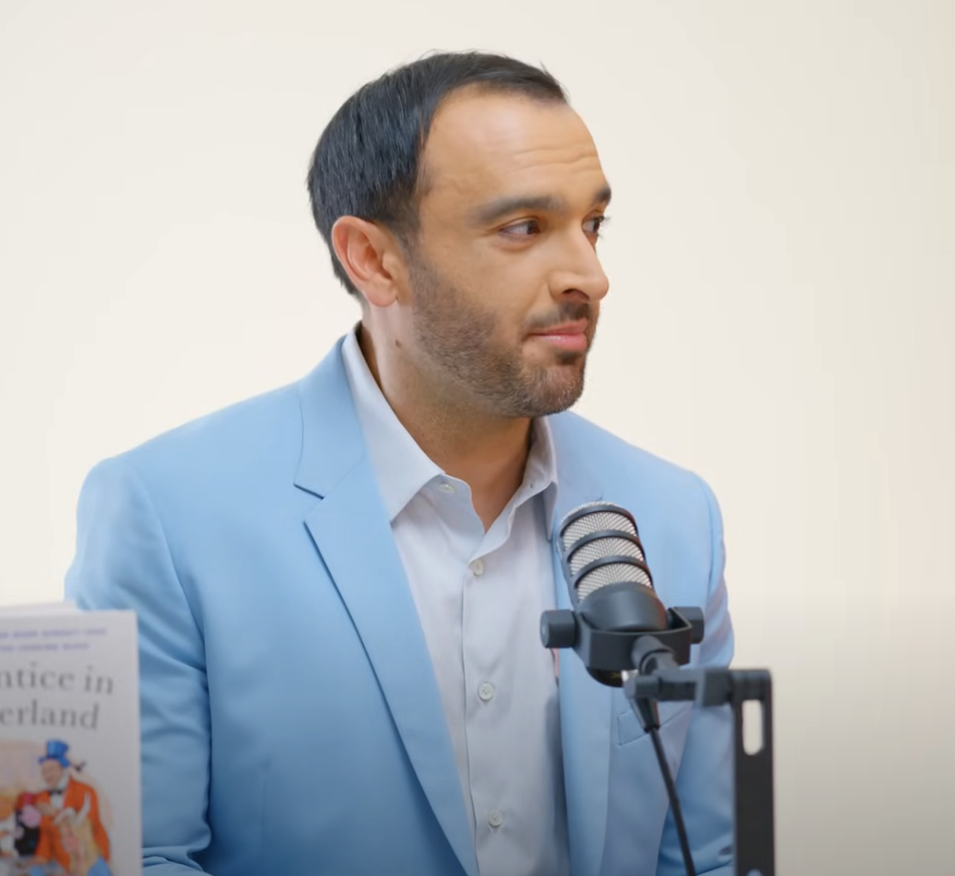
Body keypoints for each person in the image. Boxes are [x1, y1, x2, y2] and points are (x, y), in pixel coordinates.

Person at [67, 50, 735, 876]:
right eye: (523, 228)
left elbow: (703, 857)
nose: (590, 276)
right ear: (373, 261)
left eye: (591, 225)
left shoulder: (674, 517)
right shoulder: (164, 517)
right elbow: (140, 858)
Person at [32, 740, 111, 871]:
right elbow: (46, 833)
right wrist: (41, 856)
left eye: (51, 769)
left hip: (88, 857)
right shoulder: (43, 796)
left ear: (63, 769)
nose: (47, 775)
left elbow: (88, 826)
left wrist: (55, 813)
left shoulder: (85, 791)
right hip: (62, 861)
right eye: (44, 771)